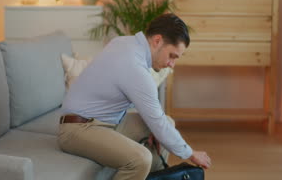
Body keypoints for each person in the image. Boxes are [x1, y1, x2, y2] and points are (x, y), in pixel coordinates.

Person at [59, 13, 211, 180]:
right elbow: (156, 121)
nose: (171, 64)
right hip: (78, 130)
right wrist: (191, 153)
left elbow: (157, 120)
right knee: (140, 159)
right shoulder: (134, 66)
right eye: (172, 56)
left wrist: (158, 129)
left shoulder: (125, 42)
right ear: (157, 41)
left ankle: (155, 177)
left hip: (106, 123)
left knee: (168, 124)